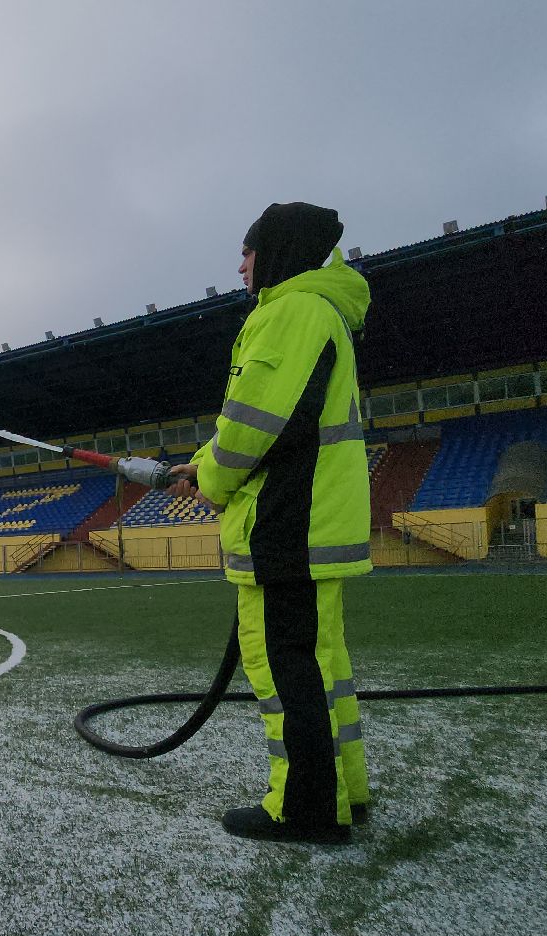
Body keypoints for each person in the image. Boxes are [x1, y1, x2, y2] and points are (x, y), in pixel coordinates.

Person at [163, 201, 373, 845]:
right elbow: (267, 418)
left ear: (276, 253)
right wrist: (201, 464)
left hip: (288, 525)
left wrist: (212, 480)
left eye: (247, 252)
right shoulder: (318, 310)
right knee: (320, 668)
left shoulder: (289, 311)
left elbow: (253, 424)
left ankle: (305, 808)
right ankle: (342, 793)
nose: (241, 266)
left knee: (286, 670)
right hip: (306, 527)